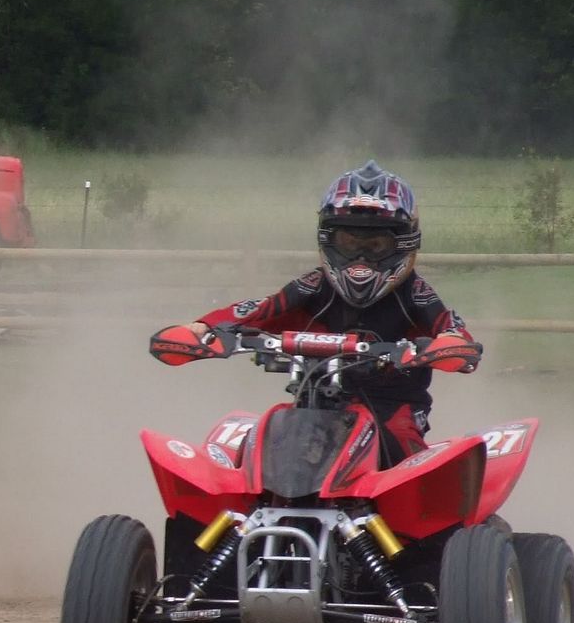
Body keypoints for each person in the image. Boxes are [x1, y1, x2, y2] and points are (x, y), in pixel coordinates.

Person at [183, 159, 480, 465]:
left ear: (404, 243)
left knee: (400, 441)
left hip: (392, 407)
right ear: (329, 240)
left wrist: (451, 344)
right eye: (349, 243)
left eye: (376, 245)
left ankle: (425, 497)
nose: (361, 256)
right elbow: (259, 310)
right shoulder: (313, 286)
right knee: (258, 442)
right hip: (312, 406)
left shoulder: (415, 294)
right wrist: (203, 327)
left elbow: (453, 332)